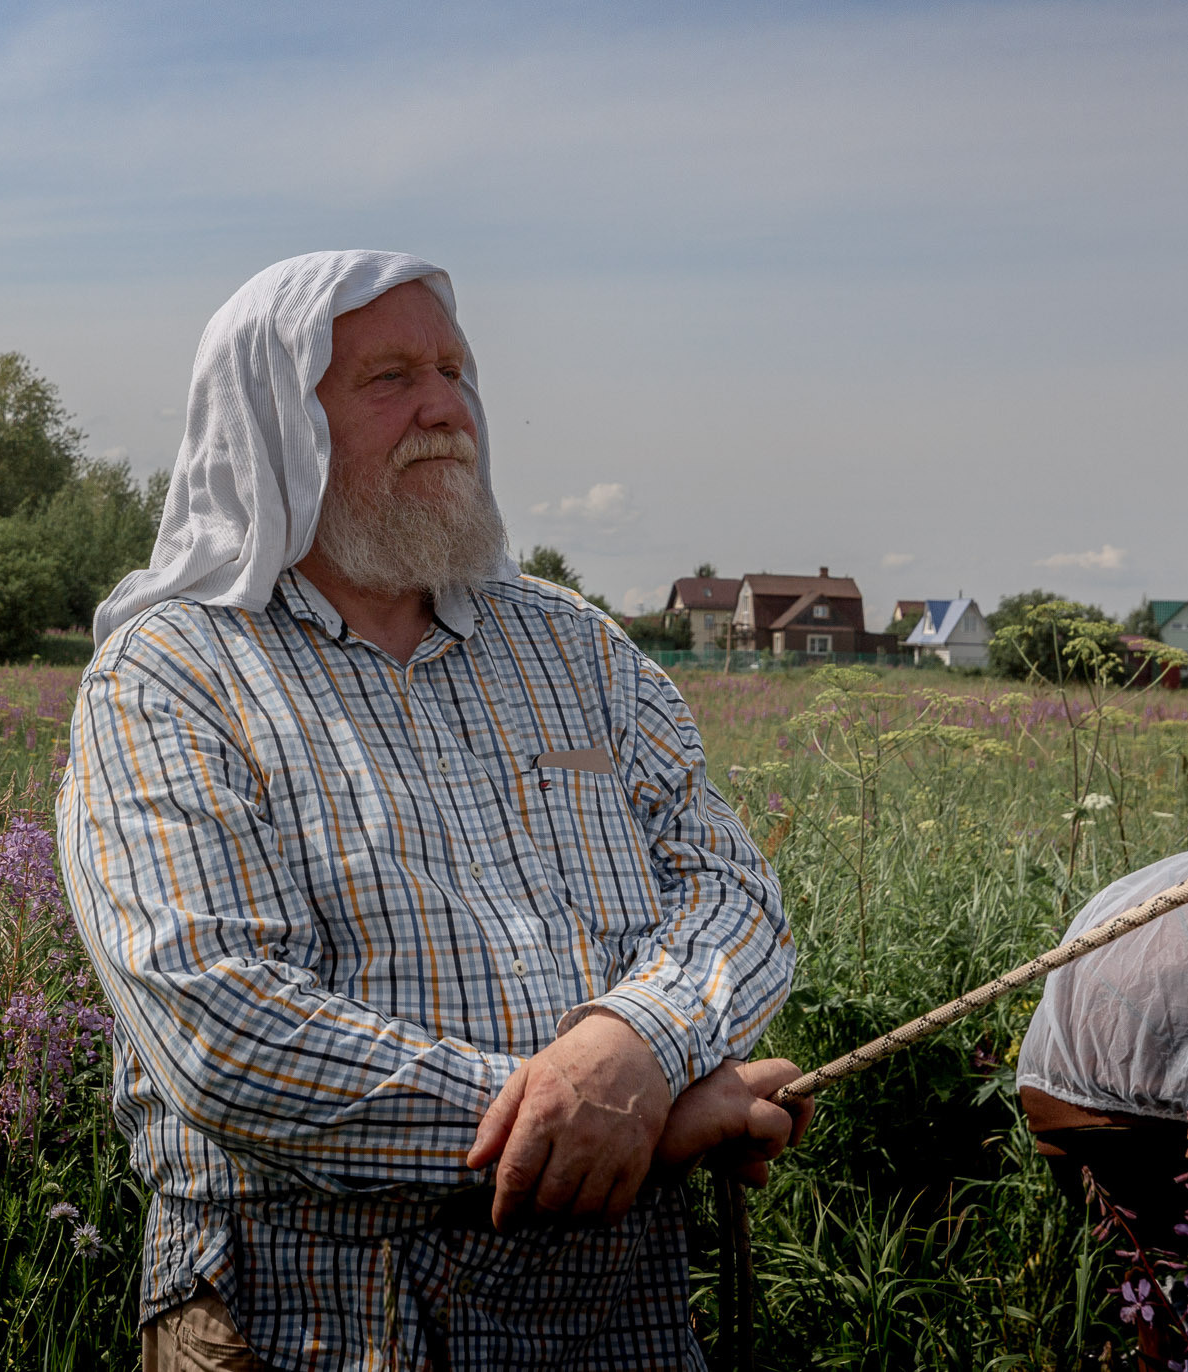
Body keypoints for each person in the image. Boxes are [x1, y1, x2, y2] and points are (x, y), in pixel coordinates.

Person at [58, 250, 807, 1371]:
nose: (445, 408)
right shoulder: (169, 675)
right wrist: (595, 1118)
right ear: (277, 423)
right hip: (308, 1318)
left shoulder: (576, 649)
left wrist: (634, 1046)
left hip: (615, 1321)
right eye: (389, 378)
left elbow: (732, 893)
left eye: (455, 370)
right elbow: (220, 1025)